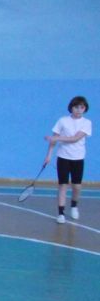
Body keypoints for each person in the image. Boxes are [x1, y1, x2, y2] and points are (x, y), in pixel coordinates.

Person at [43, 96, 92, 224]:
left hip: (78, 158)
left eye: (82, 107)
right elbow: (53, 140)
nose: (79, 110)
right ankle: (61, 213)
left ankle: (74, 205)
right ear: (71, 108)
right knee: (62, 185)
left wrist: (57, 138)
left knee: (77, 186)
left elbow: (75, 139)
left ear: (85, 109)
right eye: (76, 107)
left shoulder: (87, 123)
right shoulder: (62, 121)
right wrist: (48, 156)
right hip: (63, 157)